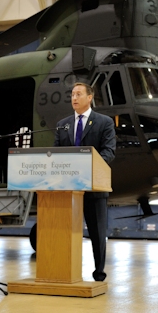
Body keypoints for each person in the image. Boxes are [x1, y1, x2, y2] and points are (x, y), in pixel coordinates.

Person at [53, 82, 116, 282]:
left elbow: (108, 152)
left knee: (97, 233)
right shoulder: (63, 124)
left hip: (93, 187)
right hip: (68, 189)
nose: (74, 98)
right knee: (65, 232)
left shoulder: (104, 122)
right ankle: (64, 270)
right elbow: (56, 154)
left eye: (79, 94)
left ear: (90, 97)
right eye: (72, 94)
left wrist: (90, 167)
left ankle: (99, 273)